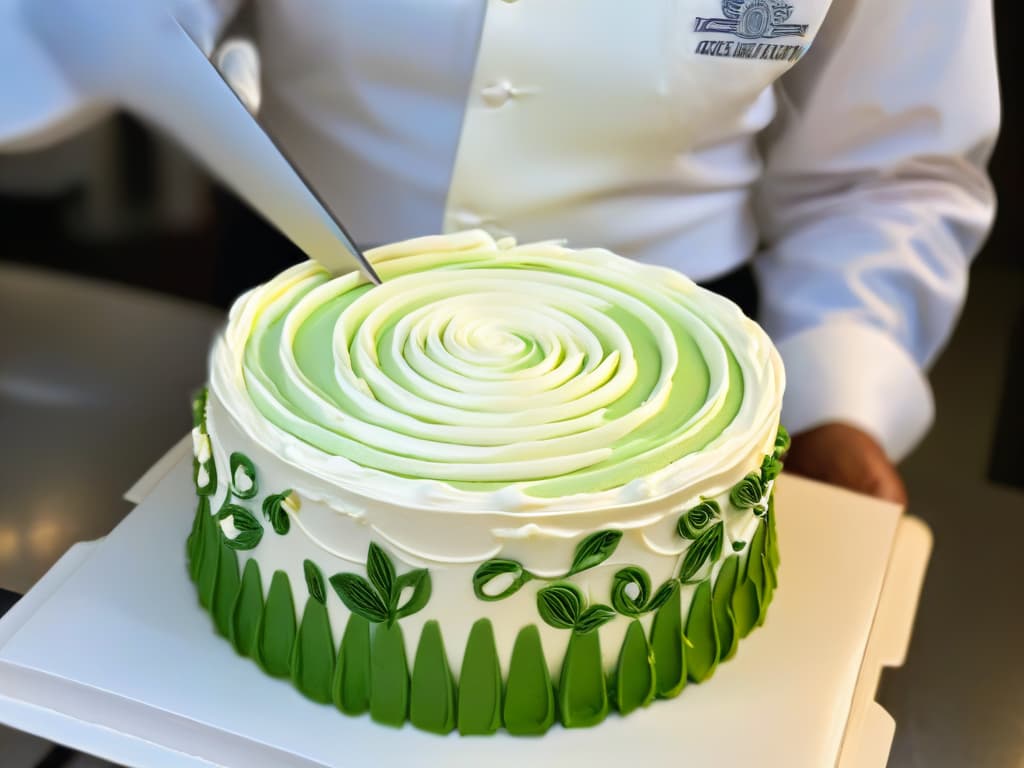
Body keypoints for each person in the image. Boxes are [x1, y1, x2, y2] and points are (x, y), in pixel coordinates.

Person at [3, 0, 1000, 504]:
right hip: (304, 308)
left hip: (678, 377)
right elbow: (96, 28)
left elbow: (886, 170)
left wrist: (841, 397)